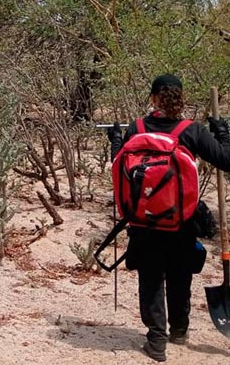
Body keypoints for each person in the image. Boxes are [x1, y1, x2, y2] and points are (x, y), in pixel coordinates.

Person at [107, 74, 230, 362]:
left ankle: (156, 341)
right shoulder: (192, 131)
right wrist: (223, 133)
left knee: (150, 278)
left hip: (142, 220)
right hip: (180, 220)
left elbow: (118, 164)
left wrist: (114, 140)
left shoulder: (137, 128)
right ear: (180, 98)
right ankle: (179, 330)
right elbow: (227, 160)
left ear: (153, 98)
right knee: (179, 273)